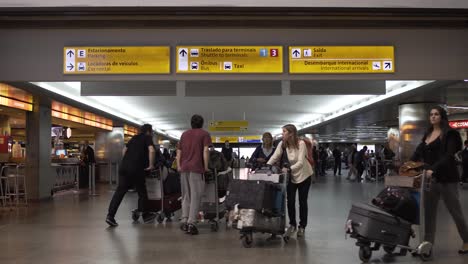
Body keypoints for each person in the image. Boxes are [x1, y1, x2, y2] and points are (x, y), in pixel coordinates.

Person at [411, 106, 468, 255]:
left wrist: (433, 169)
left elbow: (448, 156)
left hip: (447, 179)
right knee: (428, 214)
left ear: (442, 116)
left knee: (455, 212)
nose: (433, 116)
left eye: (436, 114)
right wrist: (407, 165)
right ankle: (427, 246)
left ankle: (467, 241)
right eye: (431, 114)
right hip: (431, 180)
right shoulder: (428, 134)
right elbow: (418, 152)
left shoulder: (451, 134)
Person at [267, 124, 313, 238]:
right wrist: (266, 166)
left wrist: (288, 169)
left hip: (304, 175)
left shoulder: (301, 144)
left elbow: (301, 162)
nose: (282, 133)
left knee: (302, 201)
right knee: (290, 201)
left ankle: (302, 226)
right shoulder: (283, 144)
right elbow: (275, 156)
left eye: (284, 131)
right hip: (291, 176)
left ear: (291, 133)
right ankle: (292, 224)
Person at [106, 124, 156, 227]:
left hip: (124, 167)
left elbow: (124, 150)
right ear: (148, 131)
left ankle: (110, 216)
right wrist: (151, 165)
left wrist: (127, 161)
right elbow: (151, 150)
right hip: (136, 169)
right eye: (152, 132)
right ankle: (146, 216)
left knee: (119, 192)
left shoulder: (134, 138)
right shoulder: (147, 138)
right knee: (142, 191)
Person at [177, 114, 211, 235]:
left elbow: (179, 151)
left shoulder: (184, 134)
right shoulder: (204, 134)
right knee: (196, 196)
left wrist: (179, 166)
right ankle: (191, 223)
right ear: (202, 123)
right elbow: (206, 150)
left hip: (184, 168)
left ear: (191, 123)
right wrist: (206, 167)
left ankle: (184, 219)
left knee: (186, 195)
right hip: (196, 168)